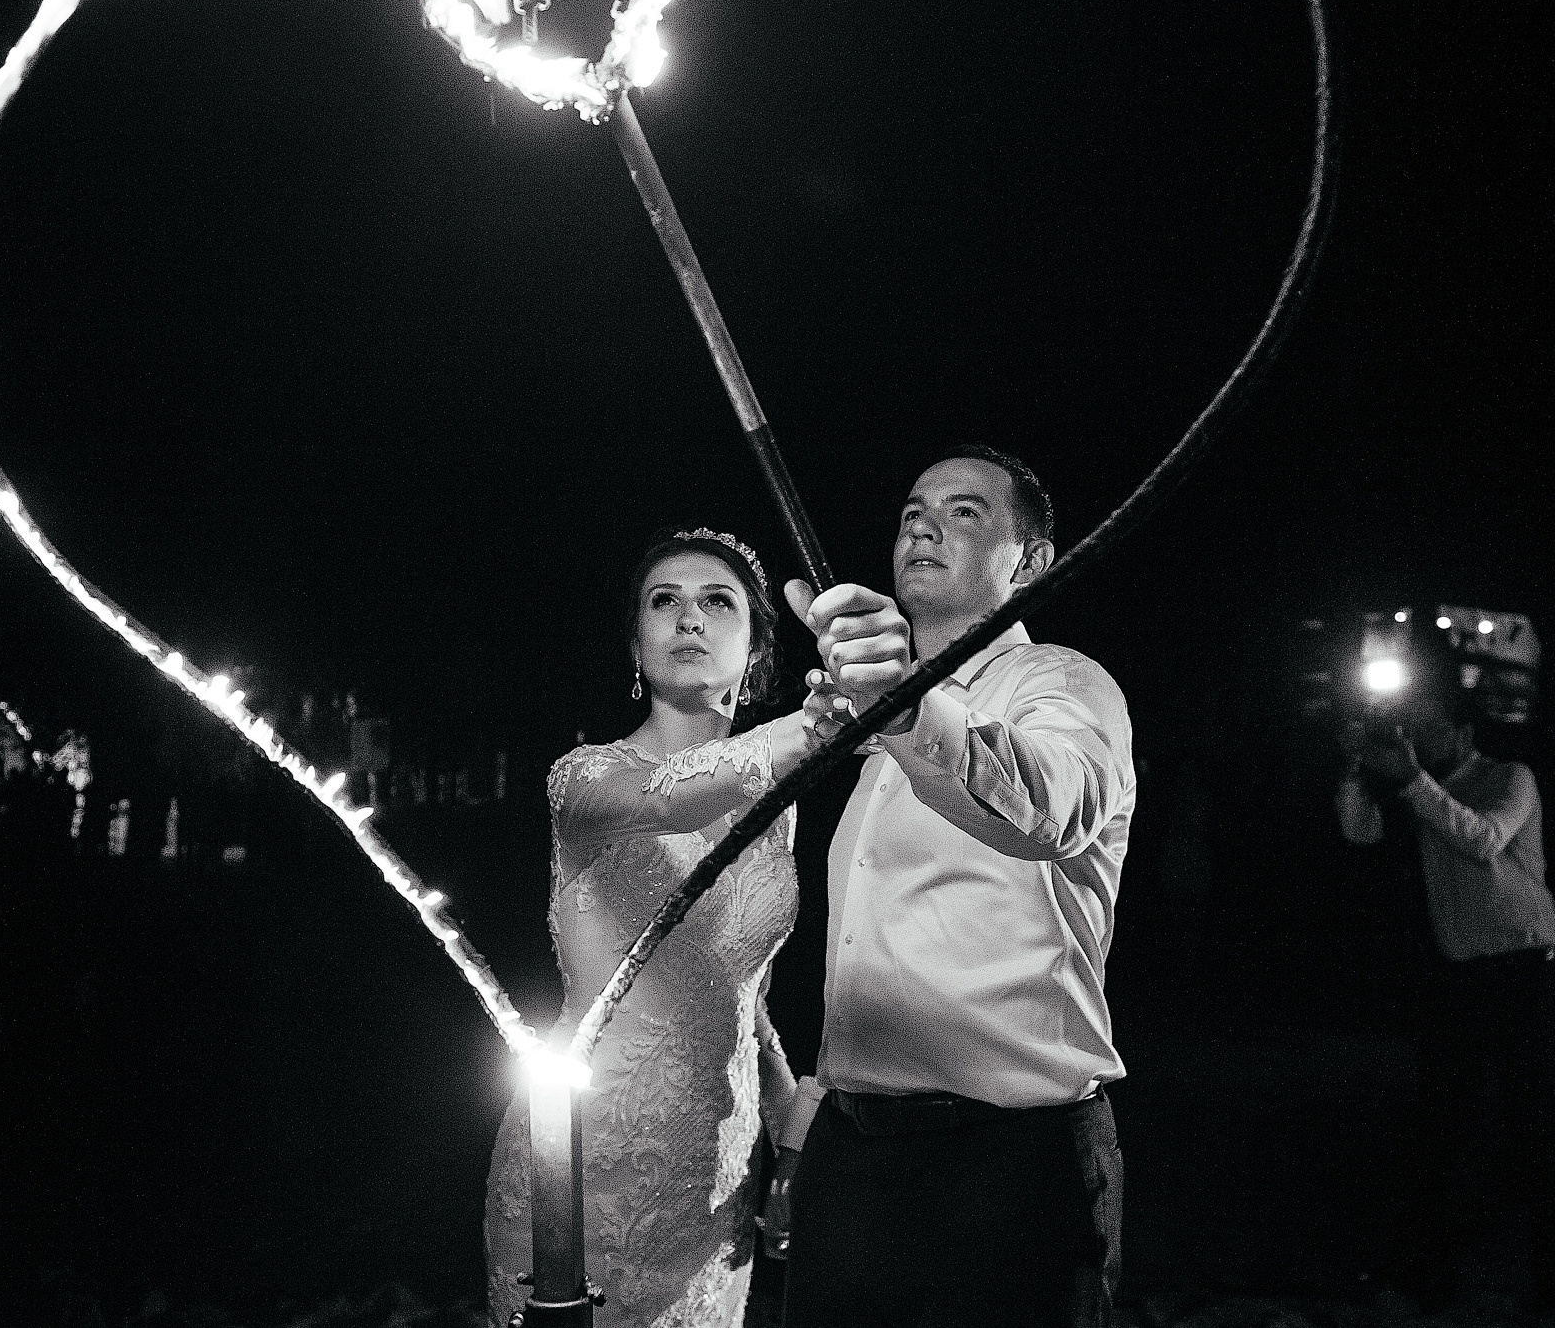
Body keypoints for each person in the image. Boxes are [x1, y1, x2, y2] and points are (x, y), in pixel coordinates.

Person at [775, 446, 1135, 1327]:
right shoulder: (874, 738)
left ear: (1033, 560)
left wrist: (902, 703)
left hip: (1007, 1156)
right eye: (911, 510)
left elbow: (1048, 807)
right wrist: (804, 1136)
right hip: (853, 1149)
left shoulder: (1062, 683)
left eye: (966, 511)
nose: (924, 524)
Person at [484, 526, 826, 1326]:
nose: (689, 619)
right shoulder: (586, 781)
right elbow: (672, 796)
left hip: (719, 1180)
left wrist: (791, 1133)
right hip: (580, 1172)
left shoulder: (778, 801)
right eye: (663, 602)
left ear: (757, 649)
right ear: (636, 646)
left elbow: (749, 1000)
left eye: (718, 602)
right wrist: (818, 726)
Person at [1336, 638, 1555, 1308]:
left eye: (1432, 726)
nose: (1418, 737)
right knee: (1443, 1125)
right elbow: (1358, 832)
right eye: (1413, 727)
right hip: (1462, 975)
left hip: (1527, 969)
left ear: (1465, 732)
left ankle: (1553, 1275)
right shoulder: (1421, 792)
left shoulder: (1510, 776)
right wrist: (1357, 767)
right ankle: (1432, 1271)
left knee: (1533, 1124)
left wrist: (1412, 780)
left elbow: (1482, 838)